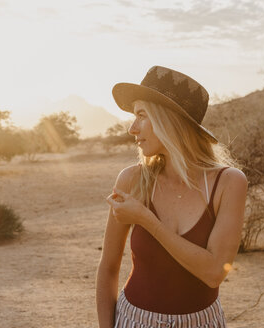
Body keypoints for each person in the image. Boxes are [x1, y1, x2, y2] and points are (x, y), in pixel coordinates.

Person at [96, 66, 248, 328]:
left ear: (170, 121)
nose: (132, 128)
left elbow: (214, 273)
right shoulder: (132, 181)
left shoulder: (228, 182)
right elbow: (108, 267)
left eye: (142, 115)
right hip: (134, 321)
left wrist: (146, 219)